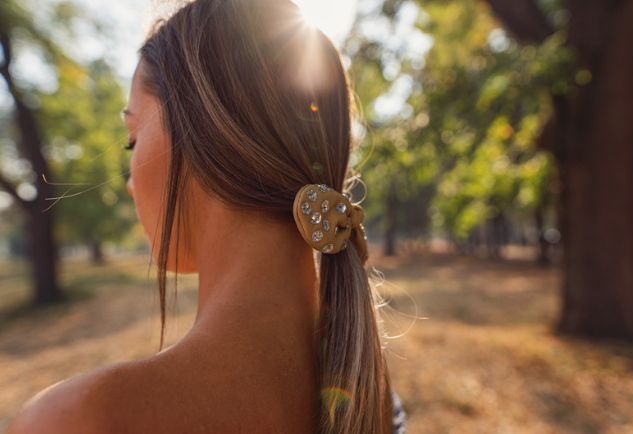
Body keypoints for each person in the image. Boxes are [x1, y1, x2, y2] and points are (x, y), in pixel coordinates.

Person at [7, 0, 406, 433]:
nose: (128, 182)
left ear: (198, 132)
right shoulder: (373, 398)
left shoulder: (81, 420)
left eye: (132, 138)